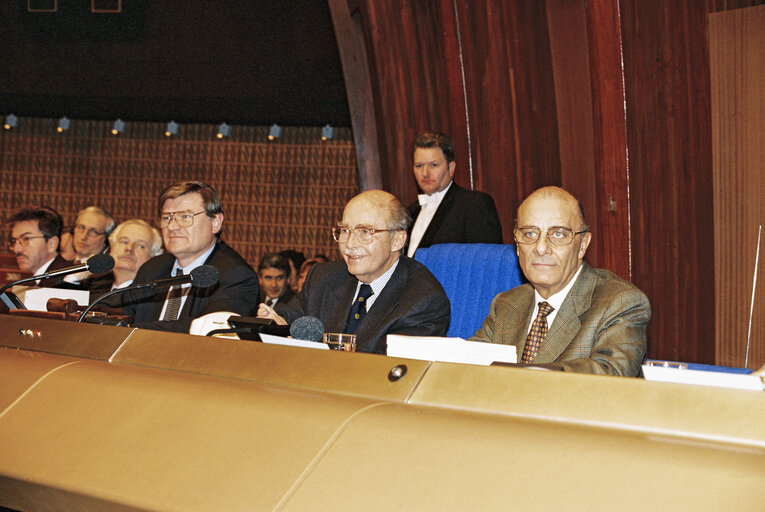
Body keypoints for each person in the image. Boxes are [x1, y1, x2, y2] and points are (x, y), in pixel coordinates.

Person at [471, 186, 651, 376]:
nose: (541, 248)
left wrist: (519, 374)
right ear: (517, 245)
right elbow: (466, 366)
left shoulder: (620, 303)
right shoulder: (507, 304)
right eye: (530, 234)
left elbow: (609, 377)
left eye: (558, 234)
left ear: (582, 246)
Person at [258, 190, 450, 354]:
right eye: (344, 231)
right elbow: (287, 318)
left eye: (365, 232)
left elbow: (389, 372)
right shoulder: (323, 278)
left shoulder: (423, 301)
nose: (349, 244)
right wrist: (272, 322)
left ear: (397, 240)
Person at [120, 181, 260, 332]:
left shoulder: (236, 276)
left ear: (215, 222)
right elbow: (121, 314)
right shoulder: (152, 268)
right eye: (167, 218)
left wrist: (129, 329)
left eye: (185, 216)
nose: (172, 226)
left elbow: (208, 330)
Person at [407, 131, 503, 257]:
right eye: (419, 166)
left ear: (451, 168)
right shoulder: (410, 211)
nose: (425, 173)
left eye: (433, 165)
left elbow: (487, 260)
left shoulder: (474, 204)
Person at [84, 219, 163, 301]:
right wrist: (75, 277)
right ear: (111, 248)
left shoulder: (151, 297)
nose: (129, 248)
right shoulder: (93, 286)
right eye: (124, 242)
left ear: (153, 257)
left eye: (140, 246)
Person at [6, 206, 75, 288]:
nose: (16, 249)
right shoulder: (28, 284)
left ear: (51, 244)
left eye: (26, 239)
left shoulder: (67, 281)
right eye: (14, 241)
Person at [64, 206, 116, 284]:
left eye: (93, 231)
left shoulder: (105, 275)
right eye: (81, 227)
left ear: (106, 239)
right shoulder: (60, 264)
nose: (83, 237)